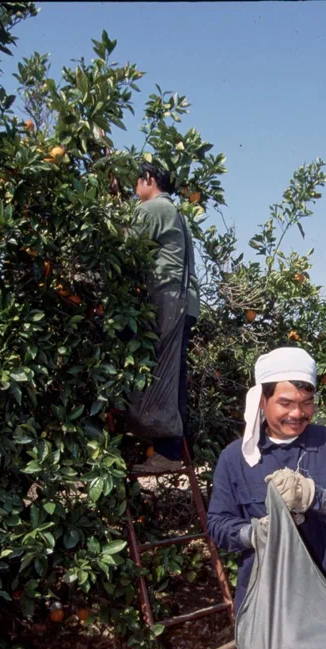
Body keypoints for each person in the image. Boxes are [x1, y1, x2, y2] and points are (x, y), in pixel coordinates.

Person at [207, 347, 326, 614]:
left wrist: (317, 497)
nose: (297, 414)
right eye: (286, 403)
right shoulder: (235, 458)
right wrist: (254, 534)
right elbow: (218, 524)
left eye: (306, 402)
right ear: (263, 400)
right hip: (264, 605)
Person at [131, 161, 200, 472]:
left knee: (161, 374)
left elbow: (125, 246)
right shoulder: (176, 213)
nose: (134, 189)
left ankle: (168, 452)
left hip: (168, 299)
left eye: (136, 181)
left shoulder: (153, 208)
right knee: (175, 374)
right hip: (185, 302)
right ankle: (174, 448)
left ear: (148, 179)